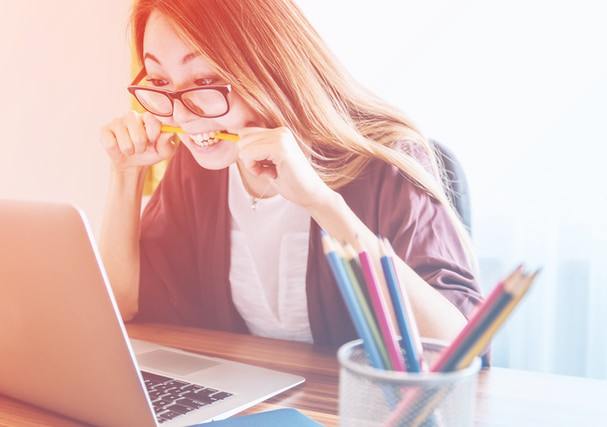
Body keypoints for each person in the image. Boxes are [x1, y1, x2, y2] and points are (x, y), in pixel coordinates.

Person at [99, 0, 484, 353]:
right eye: (160, 81)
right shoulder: (199, 168)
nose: (181, 116)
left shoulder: (388, 162)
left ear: (268, 68)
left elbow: (459, 348)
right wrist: (126, 176)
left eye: (204, 81)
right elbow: (122, 305)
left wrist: (322, 202)